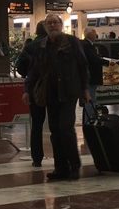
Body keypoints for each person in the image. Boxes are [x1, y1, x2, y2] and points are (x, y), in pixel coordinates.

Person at [23, 13, 90, 182]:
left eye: (55, 22)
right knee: (55, 131)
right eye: (49, 23)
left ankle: (74, 166)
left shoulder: (72, 42)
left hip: (68, 92)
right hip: (50, 94)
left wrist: (85, 89)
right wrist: (27, 90)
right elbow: (34, 70)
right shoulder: (41, 46)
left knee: (65, 129)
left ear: (61, 25)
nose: (52, 25)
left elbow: (82, 66)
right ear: (45, 27)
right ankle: (60, 168)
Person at [16, 22, 47, 166]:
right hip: (53, 88)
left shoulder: (30, 47)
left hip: (35, 88)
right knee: (56, 124)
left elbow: (20, 67)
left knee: (37, 124)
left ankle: (37, 158)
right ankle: (61, 157)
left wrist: (28, 75)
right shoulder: (55, 44)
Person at [79, 28, 109, 124]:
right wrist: (107, 62)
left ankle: (88, 120)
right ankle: (88, 122)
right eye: (94, 33)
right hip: (91, 76)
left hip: (89, 76)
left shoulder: (85, 44)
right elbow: (93, 59)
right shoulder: (87, 45)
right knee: (90, 99)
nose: (96, 35)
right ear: (90, 34)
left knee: (90, 98)